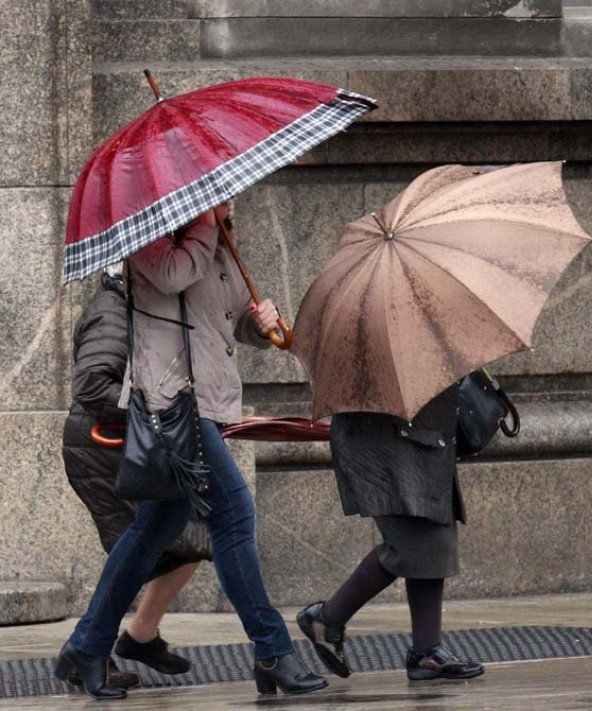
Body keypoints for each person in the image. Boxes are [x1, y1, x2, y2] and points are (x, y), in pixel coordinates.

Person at [55, 207, 327, 700]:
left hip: (209, 402)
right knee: (234, 516)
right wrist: (205, 223)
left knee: (151, 531)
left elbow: (229, 320)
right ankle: (272, 651)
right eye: (219, 194)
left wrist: (259, 321)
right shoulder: (150, 239)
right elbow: (176, 275)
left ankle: (86, 647)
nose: (229, 201)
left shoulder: (218, 241)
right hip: (173, 403)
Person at [62, 264, 212, 689]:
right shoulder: (112, 309)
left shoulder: (137, 306)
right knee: (141, 552)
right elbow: (92, 385)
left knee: (188, 538)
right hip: (101, 448)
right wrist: (156, 405)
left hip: (126, 445)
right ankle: (88, 650)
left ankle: (135, 637)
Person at [297, 386, 485, 681]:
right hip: (383, 437)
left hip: (421, 433)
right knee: (414, 544)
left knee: (432, 531)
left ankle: (426, 651)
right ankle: (327, 618)